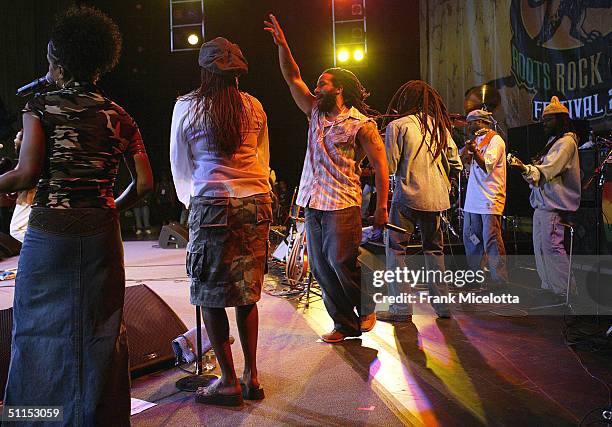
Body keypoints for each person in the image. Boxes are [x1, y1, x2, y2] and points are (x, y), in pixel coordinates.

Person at [1, 6, 153, 425]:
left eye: (50, 61)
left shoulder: (41, 106)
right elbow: (143, 184)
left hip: (50, 229)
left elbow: (25, 174)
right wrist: (109, 210)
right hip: (101, 231)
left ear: (61, 65)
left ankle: (35, 417)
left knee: (36, 330)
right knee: (102, 330)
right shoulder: (121, 115)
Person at [265, 14, 389, 343]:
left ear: (339, 88)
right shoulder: (315, 112)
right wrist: (283, 45)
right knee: (319, 268)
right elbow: (292, 77)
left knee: (340, 259)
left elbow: (379, 165)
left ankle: (368, 302)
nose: (316, 88)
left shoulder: (361, 124)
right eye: (317, 84)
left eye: (322, 83)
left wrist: (382, 207)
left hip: (343, 201)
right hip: (313, 199)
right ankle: (343, 325)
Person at [170, 37, 271, 406]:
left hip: (212, 204)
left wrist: (193, 204)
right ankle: (251, 376)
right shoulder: (254, 106)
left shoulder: (187, 106)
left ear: (204, 70)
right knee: (246, 293)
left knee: (209, 294)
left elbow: (180, 166)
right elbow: (262, 159)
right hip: (256, 203)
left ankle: (227, 381)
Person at [380, 80, 462, 322]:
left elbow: (391, 166)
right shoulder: (440, 128)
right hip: (437, 199)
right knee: (434, 250)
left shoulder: (398, 126)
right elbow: (456, 163)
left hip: (407, 196)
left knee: (396, 250)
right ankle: (443, 307)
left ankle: (401, 309)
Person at [508, 96, 580, 298]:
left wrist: (524, 167)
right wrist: (526, 170)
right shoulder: (553, 142)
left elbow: (547, 171)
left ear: (560, 119)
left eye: (548, 120)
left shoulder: (566, 143)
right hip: (542, 206)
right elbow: (538, 176)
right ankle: (550, 287)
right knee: (541, 249)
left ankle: (566, 291)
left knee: (552, 249)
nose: (544, 124)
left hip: (553, 207)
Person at [461, 109, 508, 286]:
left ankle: (500, 279)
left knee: (491, 240)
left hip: (490, 198)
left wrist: (473, 150)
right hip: (473, 199)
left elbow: (487, 166)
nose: (468, 126)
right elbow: (464, 164)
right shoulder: (475, 141)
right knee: (471, 237)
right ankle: (476, 276)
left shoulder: (495, 140)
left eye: (471, 122)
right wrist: (466, 154)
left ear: (481, 122)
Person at [9, 130, 36, 242]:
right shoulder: (27, 157)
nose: (15, 140)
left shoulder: (28, 157)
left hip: (30, 197)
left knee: (17, 229)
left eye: (17, 137)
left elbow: (23, 177)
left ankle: (40, 248)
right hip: (29, 197)